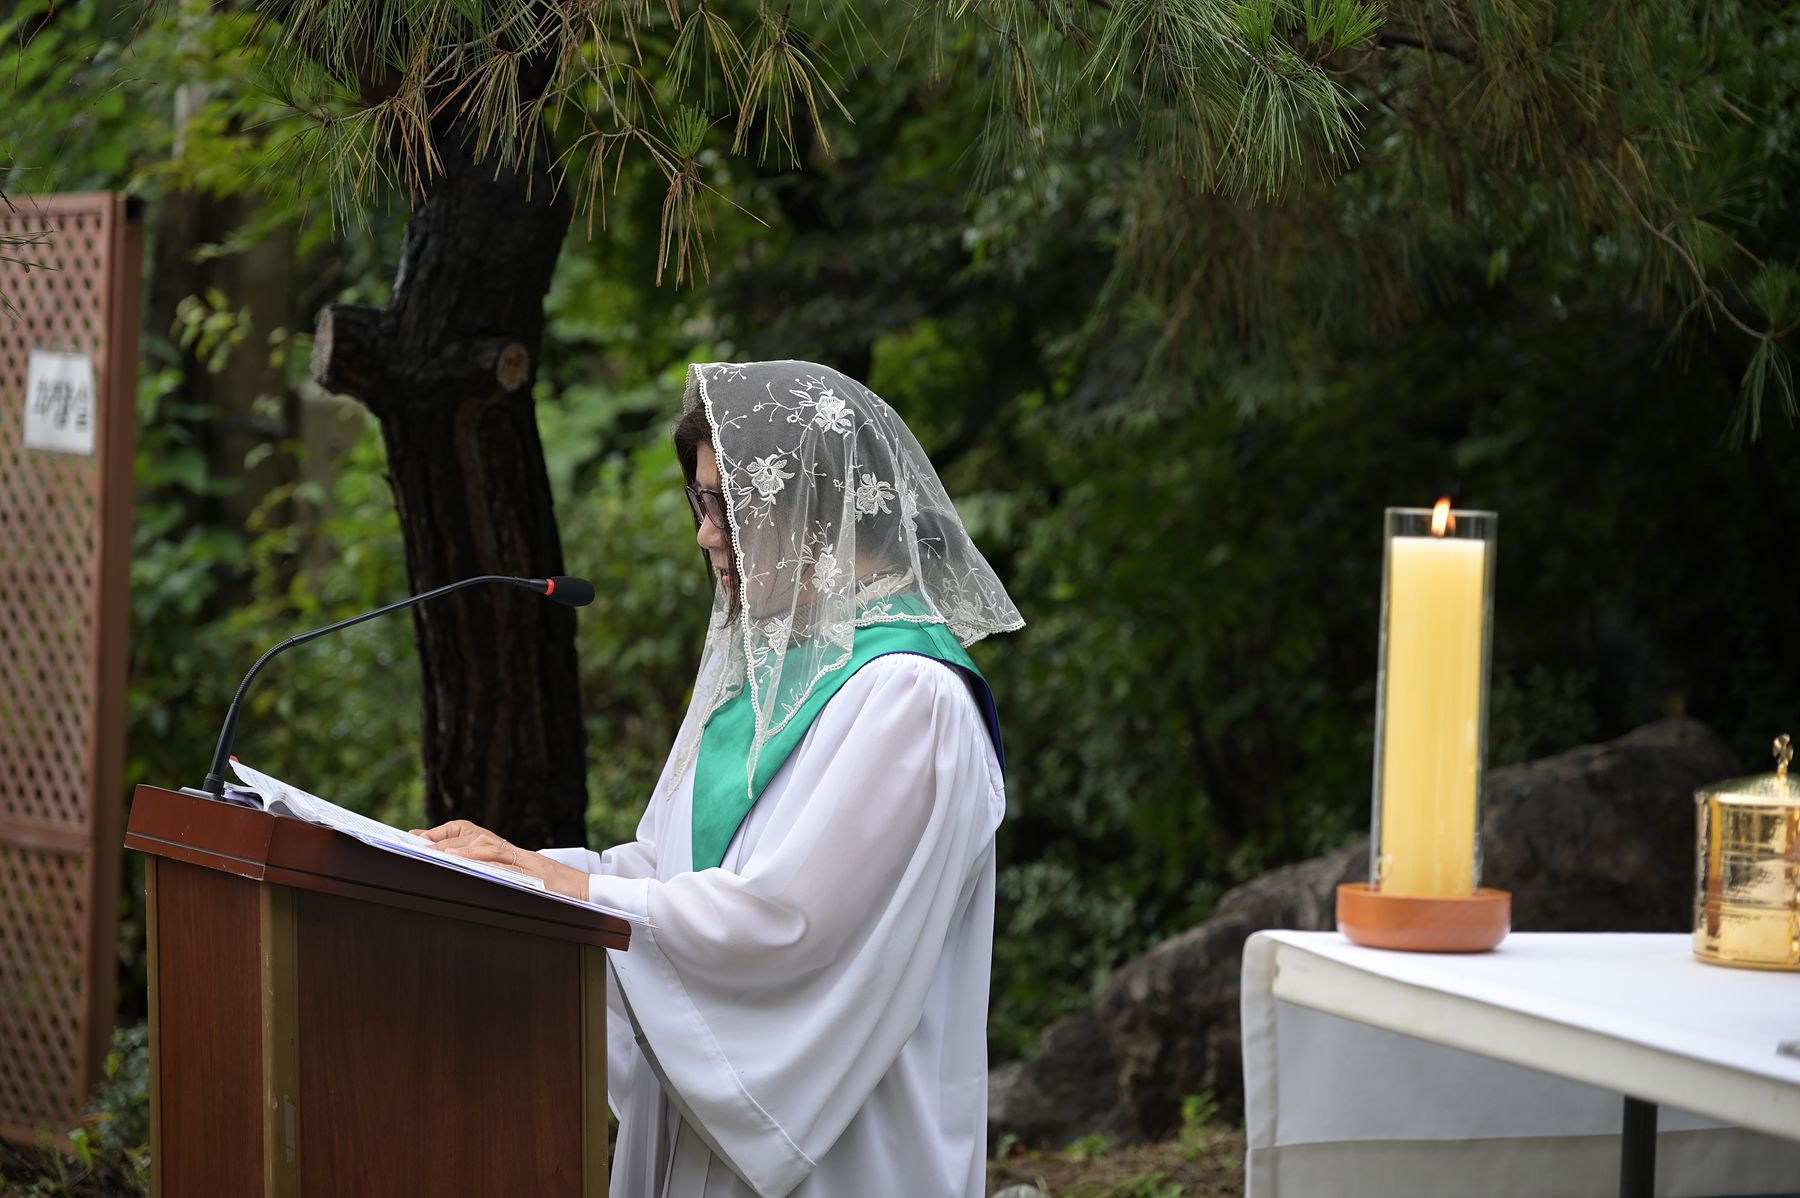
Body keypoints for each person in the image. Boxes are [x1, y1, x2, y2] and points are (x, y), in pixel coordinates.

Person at [415, 360, 1024, 1197]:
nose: (705, 536)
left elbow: (791, 930)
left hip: (849, 1157)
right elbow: (668, 872)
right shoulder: (767, 677)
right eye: (699, 503)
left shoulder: (909, 696)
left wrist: (577, 894)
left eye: (723, 504)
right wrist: (517, 873)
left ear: (813, 506)